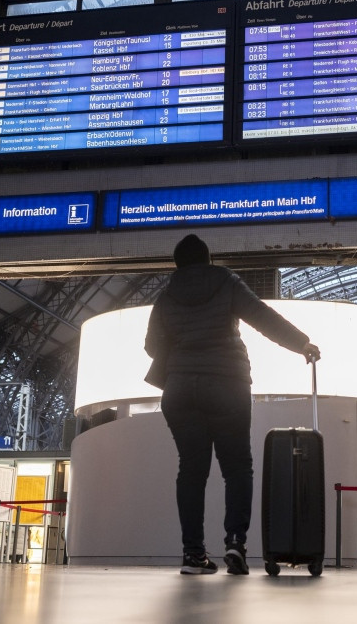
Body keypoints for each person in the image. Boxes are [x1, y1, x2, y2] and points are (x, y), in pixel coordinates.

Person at [145, 235, 320, 576]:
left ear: (177, 263)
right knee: (237, 468)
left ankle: (193, 556)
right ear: (208, 258)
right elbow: (262, 317)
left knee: (191, 471)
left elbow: (152, 345)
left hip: (180, 389)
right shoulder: (225, 281)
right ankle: (235, 544)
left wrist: (183, 351)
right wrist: (302, 343)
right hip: (227, 383)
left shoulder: (166, 295)